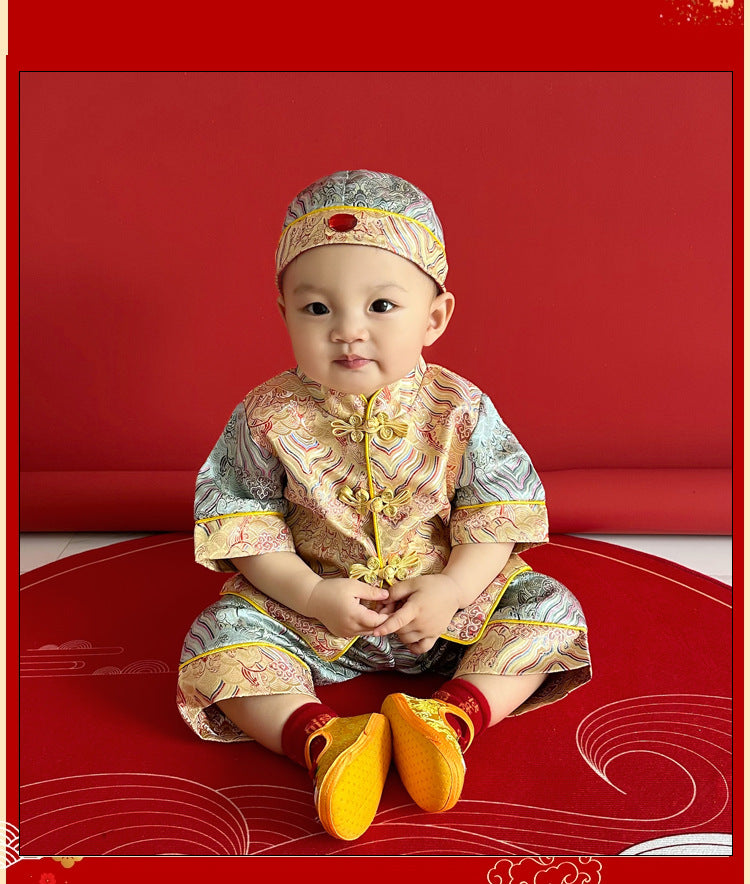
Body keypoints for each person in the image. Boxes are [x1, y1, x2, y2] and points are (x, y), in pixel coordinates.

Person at [177, 169, 591, 842]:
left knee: (550, 608)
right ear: (283, 313)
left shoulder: (462, 409)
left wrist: (454, 589)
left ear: (434, 318)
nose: (347, 332)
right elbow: (247, 523)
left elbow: (495, 516)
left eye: (380, 307)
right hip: (314, 615)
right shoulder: (266, 415)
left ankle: (449, 717)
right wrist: (310, 594)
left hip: (446, 616)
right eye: (317, 310)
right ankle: (326, 740)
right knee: (218, 637)